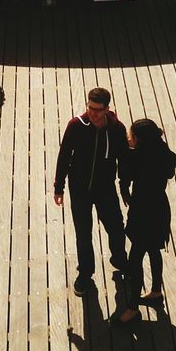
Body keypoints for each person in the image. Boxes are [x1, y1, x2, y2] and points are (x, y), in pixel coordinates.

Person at [53, 86, 131, 296]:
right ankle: (85, 273)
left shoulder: (116, 129)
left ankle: (119, 259)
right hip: (79, 190)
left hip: (105, 188)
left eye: (98, 109)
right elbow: (64, 156)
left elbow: (123, 159)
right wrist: (58, 187)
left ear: (107, 109)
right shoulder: (76, 125)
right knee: (83, 234)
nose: (93, 114)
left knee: (116, 228)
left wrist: (124, 186)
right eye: (90, 108)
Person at [115, 119, 176, 324]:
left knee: (135, 260)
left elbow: (125, 175)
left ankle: (133, 308)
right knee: (154, 250)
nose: (129, 138)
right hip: (159, 208)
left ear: (139, 139)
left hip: (143, 210)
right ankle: (156, 291)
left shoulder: (139, 158)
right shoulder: (161, 152)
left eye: (132, 135)